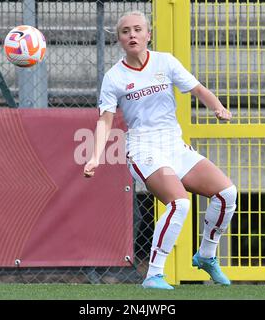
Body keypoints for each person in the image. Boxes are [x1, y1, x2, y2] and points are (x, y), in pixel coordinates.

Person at [83, 11, 237, 290]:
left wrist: (217, 107)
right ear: (119, 39)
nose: (132, 35)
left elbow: (198, 89)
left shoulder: (165, 62)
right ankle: (154, 274)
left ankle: (206, 256)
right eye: (125, 31)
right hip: (144, 149)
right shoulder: (114, 76)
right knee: (180, 203)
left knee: (227, 194)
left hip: (175, 145)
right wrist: (95, 156)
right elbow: (105, 119)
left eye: (138, 30)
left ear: (148, 35)